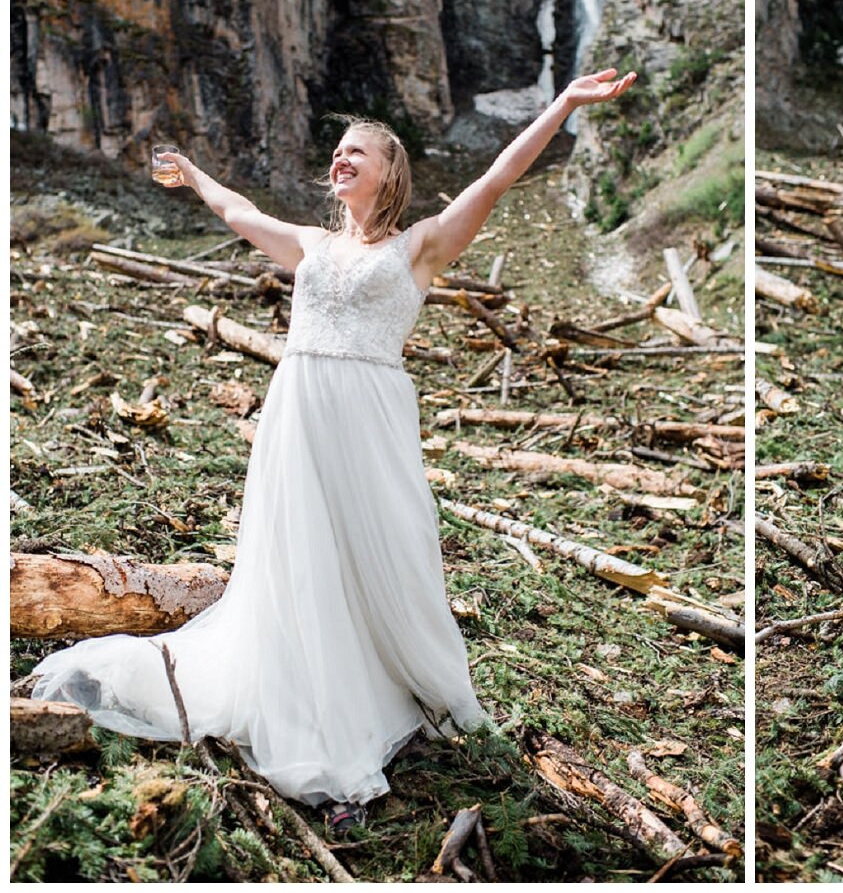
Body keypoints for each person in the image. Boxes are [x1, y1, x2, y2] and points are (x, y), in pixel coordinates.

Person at [31, 68, 637, 833]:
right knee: (298, 557)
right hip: (299, 413)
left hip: (371, 419)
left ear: (390, 172)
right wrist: (191, 174)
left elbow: (496, 176)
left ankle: (380, 689)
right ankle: (305, 705)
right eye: (337, 151)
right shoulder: (312, 242)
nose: (340, 159)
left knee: (381, 553)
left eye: (358, 152)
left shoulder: (420, 248)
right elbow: (238, 210)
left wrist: (565, 103)